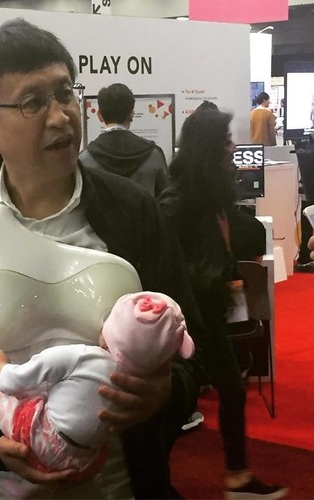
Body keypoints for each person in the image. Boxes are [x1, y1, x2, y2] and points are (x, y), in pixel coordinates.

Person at [0, 18, 207, 499]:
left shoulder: (130, 210)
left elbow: (189, 334)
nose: (61, 117)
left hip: (117, 485)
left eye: (65, 93)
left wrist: (167, 391)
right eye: (32, 102)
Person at [158, 107, 287, 499]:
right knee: (176, 401)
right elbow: (166, 262)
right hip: (187, 316)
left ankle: (238, 476)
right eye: (226, 141)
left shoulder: (210, 193)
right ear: (209, 147)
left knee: (228, 390)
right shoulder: (177, 200)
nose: (233, 147)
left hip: (209, 309)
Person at [0, 291, 194, 484]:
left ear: (106, 332)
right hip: (88, 462)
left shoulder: (82, 356)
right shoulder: (137, 383)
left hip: (41, 441)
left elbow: (14, 381)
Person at [79, 83, 168, 197]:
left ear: (99, 115)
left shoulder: (84, 160)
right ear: (131, 114)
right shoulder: (154, 155)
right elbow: (165, 200)